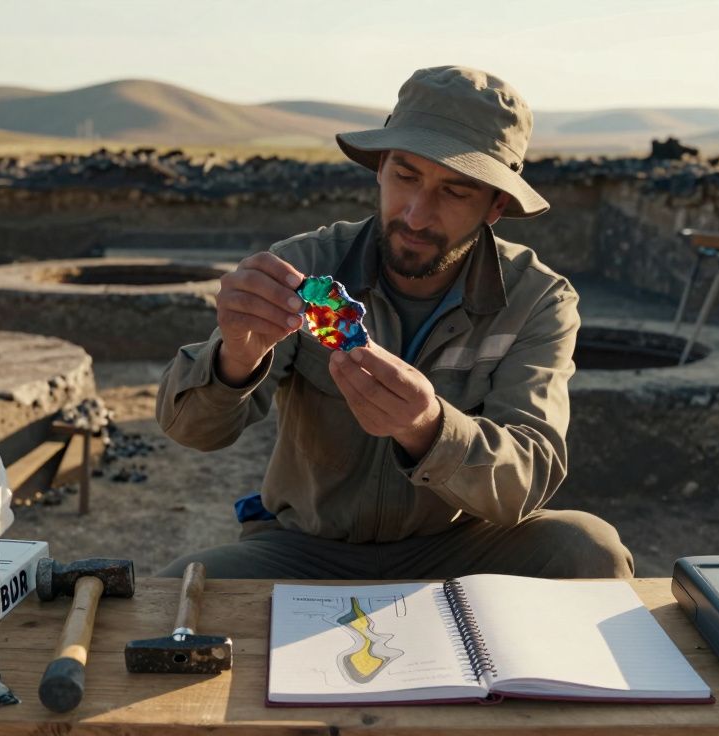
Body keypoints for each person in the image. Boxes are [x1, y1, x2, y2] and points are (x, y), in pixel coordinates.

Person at [155, 66, 633, 580]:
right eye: (406, 176)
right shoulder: (306, 266)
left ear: (496, 205)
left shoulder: (536, 299)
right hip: (307, 551)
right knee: (174, 596)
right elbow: (191, 431)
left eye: (455, 192)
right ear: (381, 168)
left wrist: (428, 428)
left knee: (589, 550)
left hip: (459, 550)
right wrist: (236, 357)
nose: (417, 215)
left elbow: (526, 476)